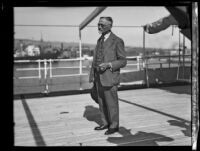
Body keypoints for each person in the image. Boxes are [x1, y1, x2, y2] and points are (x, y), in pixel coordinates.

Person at [89, 16, 127, 135]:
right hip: (98, 77)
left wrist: (109, 64)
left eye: (103, 25)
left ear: (110, 26)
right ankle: (105, 123)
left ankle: (114, 125)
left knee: (111, 103)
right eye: (99, 24)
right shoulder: (99, 40)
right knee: (101, 101)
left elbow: (123, 61)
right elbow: (95, 59)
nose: (100, 27)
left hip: (110, 78)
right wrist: (92, 76)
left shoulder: (117, 41)